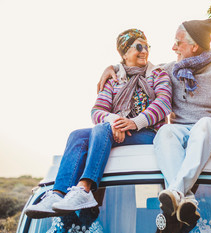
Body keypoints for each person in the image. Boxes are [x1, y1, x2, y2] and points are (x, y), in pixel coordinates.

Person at [98, 18, 211, 227]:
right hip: (182, 132)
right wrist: (113, 67)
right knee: (166, 131)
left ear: (194, 46)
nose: (173, 47)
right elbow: (137, 66)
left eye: (178, 42)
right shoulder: (170, 70)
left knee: (204, 125)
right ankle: (186, 199)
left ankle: (176, 190)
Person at [25, 28, 172, 219]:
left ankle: (85, 188)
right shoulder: (113, 79)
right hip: (113, 131)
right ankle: (58, 193)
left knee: (101, 129)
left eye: (146, 46)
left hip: (150, 133)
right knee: (76, 135)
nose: (144, 51)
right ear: (125, 52)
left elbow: (164, 102)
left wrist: (133, 123)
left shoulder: (158, 74)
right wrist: (115, 123)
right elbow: (97, 111)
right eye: (138, 46)